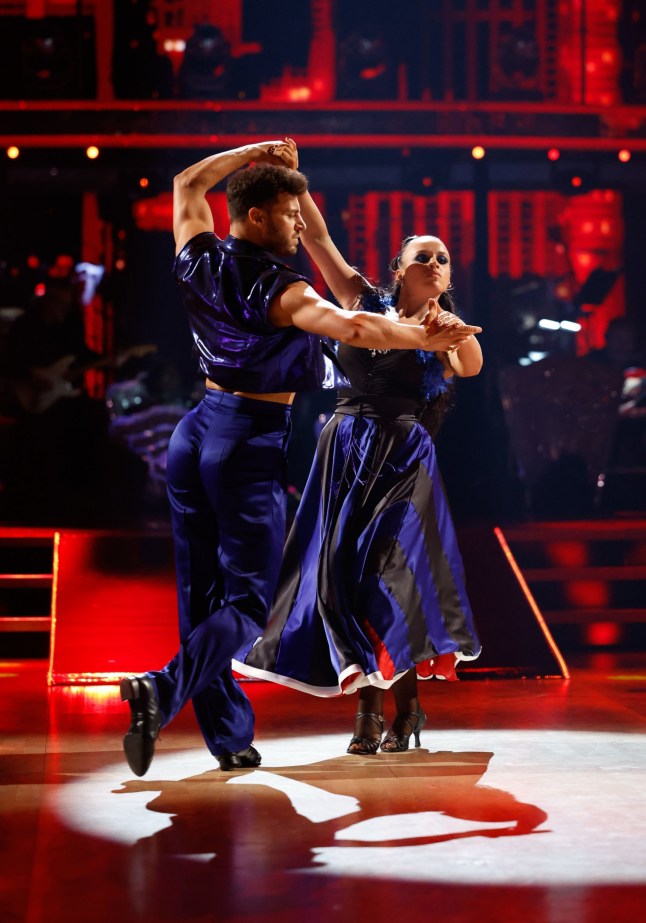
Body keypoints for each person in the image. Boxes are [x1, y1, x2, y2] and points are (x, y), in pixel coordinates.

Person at [120, 140, 481, 777]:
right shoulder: (289, 288)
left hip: (203, 430)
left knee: (206, 594)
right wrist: (420, 334)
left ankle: (230, 735)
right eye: (288, 213)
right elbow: (355, 325)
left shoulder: (198, 254)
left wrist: (259, 155)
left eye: (442, 258)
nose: (299, 221)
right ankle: (163, 689)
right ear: (260, 217)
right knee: (261, 601)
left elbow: (186, 183)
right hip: (261, 439)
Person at [234, 138, 483, 755]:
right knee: (338, 573)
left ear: (447, 276)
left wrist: (450, 337)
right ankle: (379, 713)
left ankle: (402, 708)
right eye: (422, 257)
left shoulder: (445, 328)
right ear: (399, 270)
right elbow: (317, 238)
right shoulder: (360, 301)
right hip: (344, 447)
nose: (433, 264)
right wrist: (294, 184)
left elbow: (471, 365)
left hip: (404, 458)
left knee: (390, 573)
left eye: (442, 259)